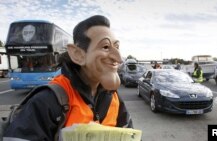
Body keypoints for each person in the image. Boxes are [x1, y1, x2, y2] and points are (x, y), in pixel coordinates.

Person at [3, 15, 133, 140]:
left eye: (117, 47)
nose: (118, 58)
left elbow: (129, 133)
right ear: (78, 55)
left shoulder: (114, 98)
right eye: (105, 47)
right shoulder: (49, 100)